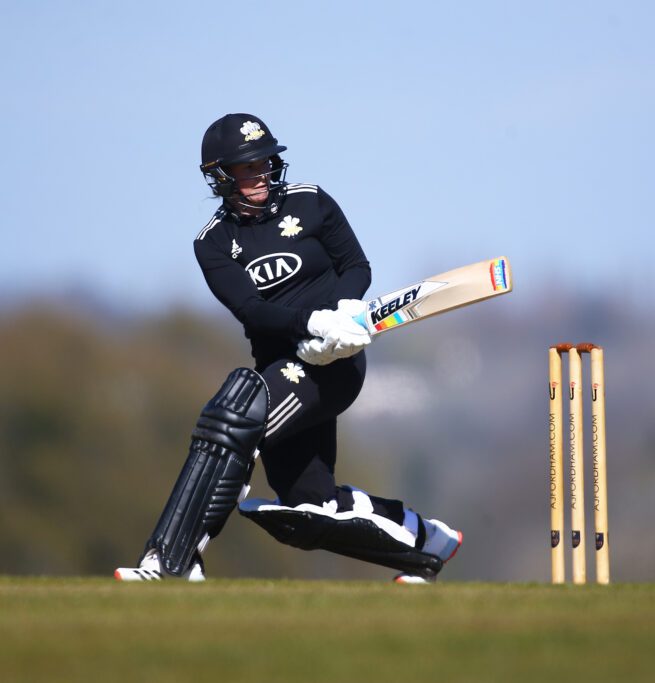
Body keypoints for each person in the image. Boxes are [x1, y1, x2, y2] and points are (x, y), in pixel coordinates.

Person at [114, 113, 461, 584]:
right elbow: (251, 309)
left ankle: (173, 561)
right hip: (282, 364)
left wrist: (342, 316)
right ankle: (422, 538)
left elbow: (356, 265)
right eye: (246, 169)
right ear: (220, 177)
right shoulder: (213, 242)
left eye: (265, 164)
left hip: (335, 365)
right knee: (309, 507)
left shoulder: (312, 201)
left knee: (234, 419)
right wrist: (309, 323)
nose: (259, 176)